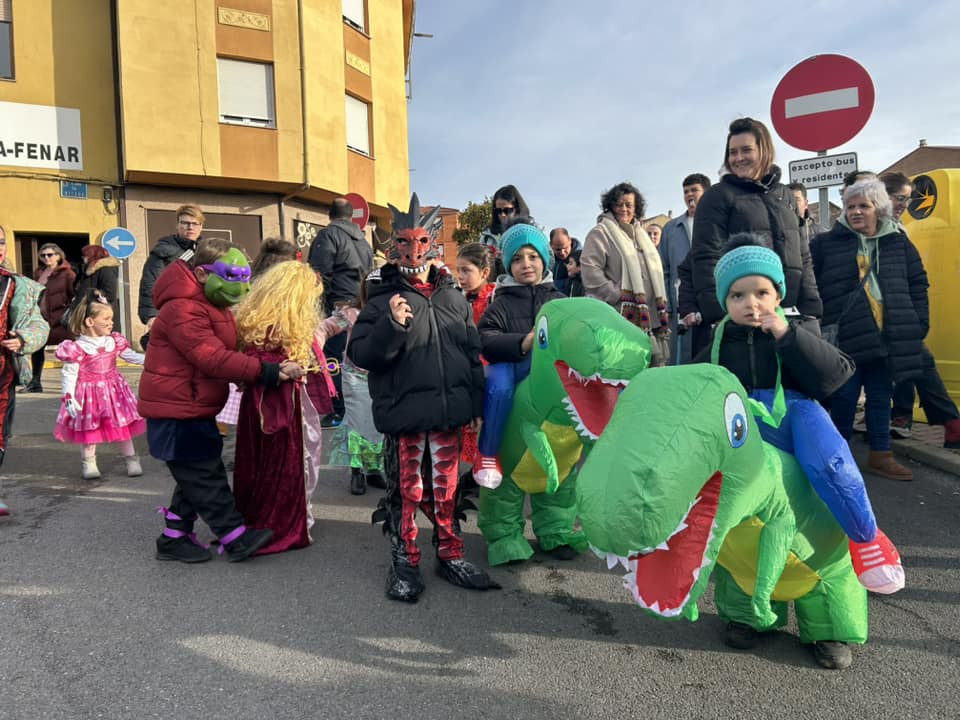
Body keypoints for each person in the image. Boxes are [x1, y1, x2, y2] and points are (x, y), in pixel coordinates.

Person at [705, 235, 902, 669]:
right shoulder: (718, 341)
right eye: (737, 295)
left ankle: (836, 613)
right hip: (746, 447)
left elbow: (834, 377)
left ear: (777, 293)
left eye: (761, 292)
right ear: (725, 301)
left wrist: (786, 336)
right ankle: (746, 614)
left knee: (823, 521)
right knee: (741, 532)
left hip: (795, 440)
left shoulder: (800, 328)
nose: (750, 303)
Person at [347, 193, 497, 602]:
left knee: (446, 490)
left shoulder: (453, 296)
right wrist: (391, 326)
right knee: (407, 492)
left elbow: (470, 354)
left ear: (433, 245)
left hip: (448, 416)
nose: (412, 252)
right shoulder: (380, 298)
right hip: (406, 415)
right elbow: (362, 355)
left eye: (420, 243)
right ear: (391, 248)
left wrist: (477, 407)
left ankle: (450, 554)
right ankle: (405, 559)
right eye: (402, 244)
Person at [139, 237, 303, 563]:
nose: (241, 286)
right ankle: (235, 537)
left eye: (244, 277)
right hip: (176, 410)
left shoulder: (212, 305)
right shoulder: (183, 309)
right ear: (201, 274)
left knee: (196, 475)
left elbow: (226, 353)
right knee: (205, 476)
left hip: (194, 406)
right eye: (232, 277)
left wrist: (247, 370)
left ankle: (173, 537)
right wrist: (265, 372)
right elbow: (211, 357)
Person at [475, 220, 585, 563]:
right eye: (519, 258)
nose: (527, 264)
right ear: (508, 264)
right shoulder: (501, 302)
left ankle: (557, 530)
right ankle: (504, 531)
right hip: (518, 394)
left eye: (534, 256)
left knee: (561, 473)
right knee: (508, 475)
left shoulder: (560, 299)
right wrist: (520, 342)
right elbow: (486, 338)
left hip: (554, 405)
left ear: (545, 261)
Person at [811, 178, 929, 481]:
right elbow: (811, 286)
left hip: (886, 335)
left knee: (880, 397)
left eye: (864, 205)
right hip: (846, 336)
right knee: (844, 399)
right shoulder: (826, 243)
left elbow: (918, 283)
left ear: (880, 207)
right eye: (851, 206)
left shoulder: (898, 242)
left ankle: (881, 454)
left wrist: (918, 322)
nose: (856, 212)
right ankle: (838, 459)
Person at [232, 261, 330, 555]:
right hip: (275, 402)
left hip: (278, 399)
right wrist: (281, 367)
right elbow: (253, 358)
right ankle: (279, 520)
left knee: (286, 460)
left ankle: (282, 515)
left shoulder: (265, 320)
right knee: (283, 463)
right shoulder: (269, 324)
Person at [691, 117, 822, 333]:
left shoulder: (785, 196)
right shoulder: (717, 197)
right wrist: (721, 314)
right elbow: (706, 258)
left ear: (764, 150)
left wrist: (811, 307)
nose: (738, 158)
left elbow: (803, 255)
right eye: (733, 153)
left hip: (793, 317)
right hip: (745, 319)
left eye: (746, 150)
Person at [881, 171, 960, 448]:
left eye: (907, 198)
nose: (904, 203)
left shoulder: (897, 229)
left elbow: (914, 277)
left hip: (899, 312)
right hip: (882, 313)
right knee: (915, 362)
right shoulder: (879, 229)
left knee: (914, 361)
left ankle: (909, 418)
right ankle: (940, 421)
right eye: (899, 198)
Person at [53, 289, 145, 480]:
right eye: (106, 319)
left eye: (111, 319)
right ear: (90, 322)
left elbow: (131, 357)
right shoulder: (77, 347)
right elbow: (69, 374)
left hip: (114, 391)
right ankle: (89, 462)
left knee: (123, 426)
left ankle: (131, 459)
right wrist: (68, 397)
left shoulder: (114, 342)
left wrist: (152, 358)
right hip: (88, 394)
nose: (111, 323)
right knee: (89, 428)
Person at [581, 181, 670, 366]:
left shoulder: (642, 235)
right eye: (619, 204)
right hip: (620, 317)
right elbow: (590, 270)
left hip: (651, 319)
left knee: (654, 373)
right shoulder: (601, 233)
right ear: (610, 206)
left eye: (629, 205)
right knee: (626, 371)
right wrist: (615, 294)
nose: (624, 209)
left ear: (636, 208)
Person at [307, 198, 374, 426]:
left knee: (334, 359)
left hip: (338, 304)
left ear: (329, 214)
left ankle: (339, 410)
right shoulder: (363, 241)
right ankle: (353, 408)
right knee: (355, 358)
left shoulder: (328, 236)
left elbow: (319, 275)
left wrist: (315, 305)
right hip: (360, 304)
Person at [0, 224, 49, 517]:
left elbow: (37, 323)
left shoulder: (18, 286)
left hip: (3, 373)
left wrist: (23, 338)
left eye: (1, 241)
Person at [328, 278, 384, 496]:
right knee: (356, 424)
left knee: (377, 425)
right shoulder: (351, 313)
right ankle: (357, 471)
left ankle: (373, 469)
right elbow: (325, 328)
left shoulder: (392, 308)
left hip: (381, 376)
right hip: (354, 376)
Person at [455, 242, 497, 491]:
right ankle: (474, 472)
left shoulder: (494, 297)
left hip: (489, 370)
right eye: (458, 270)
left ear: (484, 272)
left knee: (488, 425)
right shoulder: (459, 299)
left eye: (466, 270)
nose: (461, 276)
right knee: (470, 424)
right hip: (467, 370)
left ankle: (482, 472)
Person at [661, 173, 711, 363]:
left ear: (706, 193)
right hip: (681, 301)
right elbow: (664, 269)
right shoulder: (671, 229)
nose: (689, 195)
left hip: (710, 299)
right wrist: (669, 305)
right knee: (683, 355)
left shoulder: (715, 224)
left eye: (694, 190)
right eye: (686, 192)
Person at [138, 204, 204, 346]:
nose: (190, 227)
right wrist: (151, 315)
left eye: (195, 224)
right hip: (171, 313)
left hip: (199, 314)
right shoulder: (162, 251)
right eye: (185, 223)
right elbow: (150, 283)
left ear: (201, 226)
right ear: (178, 225)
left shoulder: (207, 250)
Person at [27, 243, 75, 392]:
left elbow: (74, 295)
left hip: (60, 318)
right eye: (43, 255)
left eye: (50, 254)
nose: (46, 258)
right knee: (37, 348)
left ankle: (74, 384)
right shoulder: (39, 272)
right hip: (41, 317)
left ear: (58, 256)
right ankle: (35, 382)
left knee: (69, 351)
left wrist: (68, 312)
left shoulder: (67, 273)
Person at [479, 185, 531, 277]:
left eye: (507, 210)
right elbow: (479, 263)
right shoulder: (487, 236)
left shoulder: (529, 232)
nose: (502, 215)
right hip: (495, 286)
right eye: (498, 211)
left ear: (517, 209)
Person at [73, 245, 120, 331]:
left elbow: (109, 294)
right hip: (89, 314)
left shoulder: (106, 270)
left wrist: (92, 293)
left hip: (100, 316)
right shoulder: (87, 270)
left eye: (85, 255)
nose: (83, 258)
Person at [548, 227, 581, 295]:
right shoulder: (547, 259)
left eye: (565, 248)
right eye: (558, 249)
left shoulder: (582, 258)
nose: (562, 253)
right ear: (551, 245)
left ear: (570, 241)